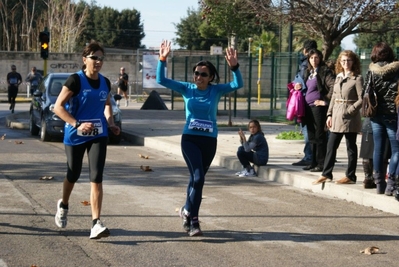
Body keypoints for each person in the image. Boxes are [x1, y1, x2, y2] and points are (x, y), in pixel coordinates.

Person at [156, 40, 243, 237]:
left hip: (209, 141)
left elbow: (238, 84)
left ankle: (187, 211)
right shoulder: (188, 88)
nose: (199, 77)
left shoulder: (216, 90)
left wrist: (234, 67)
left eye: (203, 74)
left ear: (211, 77)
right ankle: (194, 220)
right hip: (190, 139)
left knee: (197, 180)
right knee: (198, 177)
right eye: (196, 73)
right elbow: (161, 80)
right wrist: (162, 58)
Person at [53, 41, 121, 239]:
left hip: (98, 134)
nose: (98, 61)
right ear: (85, 59)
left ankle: (95, 223)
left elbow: (107, 103)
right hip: (75, 134)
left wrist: (110, 123)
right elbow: (58, 107)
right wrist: (77, 124)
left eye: (101, 58)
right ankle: (64, 204)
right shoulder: (75, 80)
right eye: (94, 57)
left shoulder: (105, 82)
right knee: (73, 173)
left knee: (96, 177)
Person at [312, 50, 362, 185]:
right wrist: (329, 114)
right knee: (331, 145)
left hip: (350, 116)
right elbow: (334, 97)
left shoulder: (357, 78)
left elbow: (361, 99)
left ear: (354, 62)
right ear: (340, 62)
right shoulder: (338, 77)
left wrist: (350, 111)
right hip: (336, 115)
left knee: (351, 147)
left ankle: (350, 176)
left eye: (349, 60)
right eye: (343, 60)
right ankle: (326, 174)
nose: (346, 63)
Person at [363, 42, 399, 194]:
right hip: (393, 114)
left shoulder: (372, 71)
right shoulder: (397, 69)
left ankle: (379, 184)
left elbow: (365, 92)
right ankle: (391, 184)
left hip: (376, 115)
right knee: (396, 150)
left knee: (378, 149)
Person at [299, 49, 335, 172]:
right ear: (308, 59)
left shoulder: (324, 71)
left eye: (316, 58)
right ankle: (313, 162)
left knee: (320, 136)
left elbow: (333, 86)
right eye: (312, 58)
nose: (314, 60)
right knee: (311, 136)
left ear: (320, 58)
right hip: (307, 107)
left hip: (318, 108)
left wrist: (325, 101)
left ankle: (321, 163)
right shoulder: (309, 72)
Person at [292, 40, 317, 167]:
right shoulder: (310, 64)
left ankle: (309, 156)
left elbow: (303, 83)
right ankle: (314, 155)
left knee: (307, 130)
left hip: (306, 102)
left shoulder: (305, 64)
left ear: (305, 50)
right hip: (309, 101)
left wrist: (297, 85)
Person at [360, 118, 390, 189]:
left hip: (369, 122)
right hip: (385, 122)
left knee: (368, 152)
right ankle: (379, 180)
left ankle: (368, 179)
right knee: (382, 153)